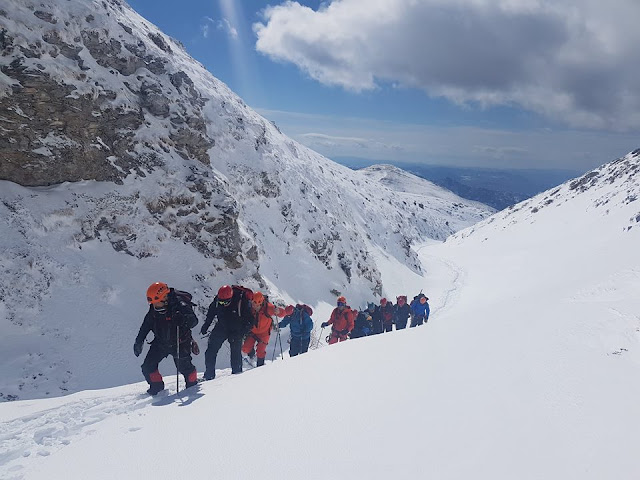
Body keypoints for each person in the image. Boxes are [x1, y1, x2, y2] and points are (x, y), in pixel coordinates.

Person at [134, 282, 199, 395]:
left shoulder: (180, 305)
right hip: (160, 343)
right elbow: (146, 325)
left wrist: (183, 319)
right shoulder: (154, 309)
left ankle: (192, 388)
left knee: (185, 368)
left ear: (165, 297)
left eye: (157, 302)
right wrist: (139, 341)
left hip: (180, 342)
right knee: (148, 367)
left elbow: (194, 321)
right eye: (153, 303)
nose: (155, 306)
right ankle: (157, 389)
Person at [201, 285, 255, 380]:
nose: (223, 304)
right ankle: (209, 376)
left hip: (237, 330)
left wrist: (241, 333)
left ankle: (236, 376)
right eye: (221, 302)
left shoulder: (241, 301)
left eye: (225, 302)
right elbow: (211, 312)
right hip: (222, 326)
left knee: (235, 354)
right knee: (211, 350)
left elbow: (250, 321)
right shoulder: (218, 299)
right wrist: (206, 325)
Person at [241, 292, 285, 366]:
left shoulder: (268, 308)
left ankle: (260, 367)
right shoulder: (249, 307)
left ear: (261, 303)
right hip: (253, 332)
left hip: (264, 333)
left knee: (260, 351)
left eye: (258, 305)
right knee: (245, 348)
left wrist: (279, 311)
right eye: (254, 304)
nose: (255, 307)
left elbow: (283, 313)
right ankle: (251, 356)